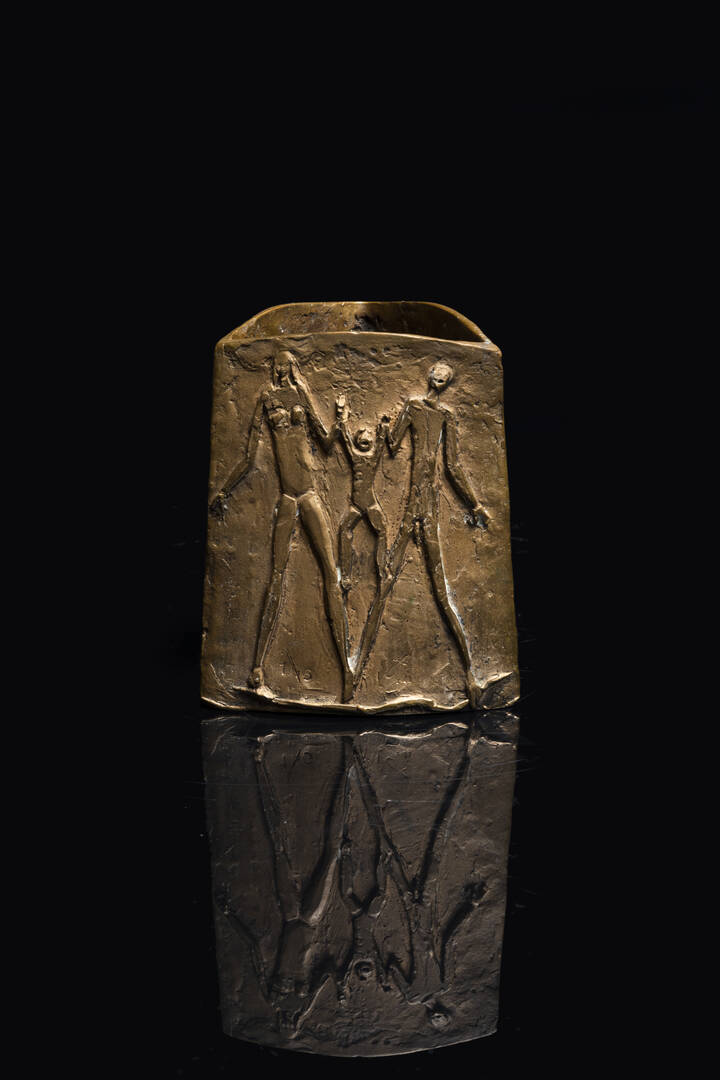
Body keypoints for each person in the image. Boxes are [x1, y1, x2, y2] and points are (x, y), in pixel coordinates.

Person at [210, 350, 353, 701]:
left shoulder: (301, 393)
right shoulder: (266, 399)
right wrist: (225, 489)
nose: (281, 370)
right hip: (288, 499)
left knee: (330, 573)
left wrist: (340, 420)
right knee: (276, 577)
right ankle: (257, 666)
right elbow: (248, 456)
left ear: (292, 368)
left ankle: (346, 669)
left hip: (310, 495)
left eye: (287, 365)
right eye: (277, 365)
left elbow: (325, 441)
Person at [355, 361, 490, 706]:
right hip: (412, 510)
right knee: (384, 587)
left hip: (427, 510)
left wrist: (474, 504)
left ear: (446, 382)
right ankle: (355, 678)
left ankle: (470, 673)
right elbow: (393, 445)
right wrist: (384, 429)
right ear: (431, 377)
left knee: (441, 593)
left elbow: (453, 466)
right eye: (437, 373)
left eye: (445, 376)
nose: (439, 379)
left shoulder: (445, 416)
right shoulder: (414, 408)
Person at [333, 400, 390, 593]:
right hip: (357, 505)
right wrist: (341, 417)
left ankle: (382, 570)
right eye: (362, 438)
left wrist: (384, 428)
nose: (365, 439)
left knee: (381, 531)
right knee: (344, 530)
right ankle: (346, 576)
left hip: (369, 503)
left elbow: (380, 445)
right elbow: (346, 440)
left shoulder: (372, 459)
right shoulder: (355, 458)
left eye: (368, 438)